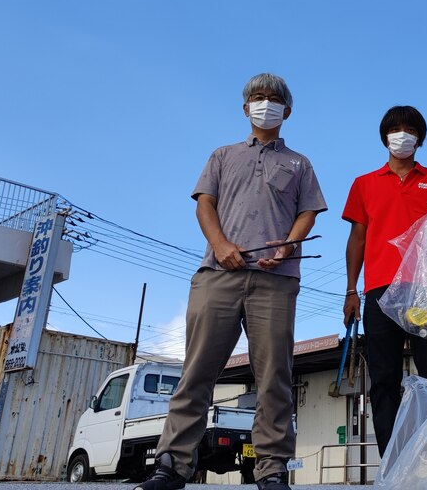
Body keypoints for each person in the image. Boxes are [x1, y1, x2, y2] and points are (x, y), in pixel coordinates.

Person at [136, 73, 327, 490]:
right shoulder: (222, 155)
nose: (265, 104)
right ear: (245, 108)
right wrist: (220, 244)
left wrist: (289, 246)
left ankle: (273, 469)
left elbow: (308, 213)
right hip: (217, 274)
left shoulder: (300, 163)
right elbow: (205, 205)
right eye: (257, 98)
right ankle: (172, 466)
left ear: (287, 111)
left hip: (276, 280)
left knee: (275, 374)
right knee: (197, 370)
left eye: (273, 99)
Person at [341, 105, 427, 456]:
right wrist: (351, 291)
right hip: (379, 293)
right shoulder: (364, 184)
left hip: (426, 292)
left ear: (419, 138)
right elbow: (357, 239)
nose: (401, 135)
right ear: (384, 137)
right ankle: (392, 460)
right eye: (395, 129)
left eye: (409, 129)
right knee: (383, 378)